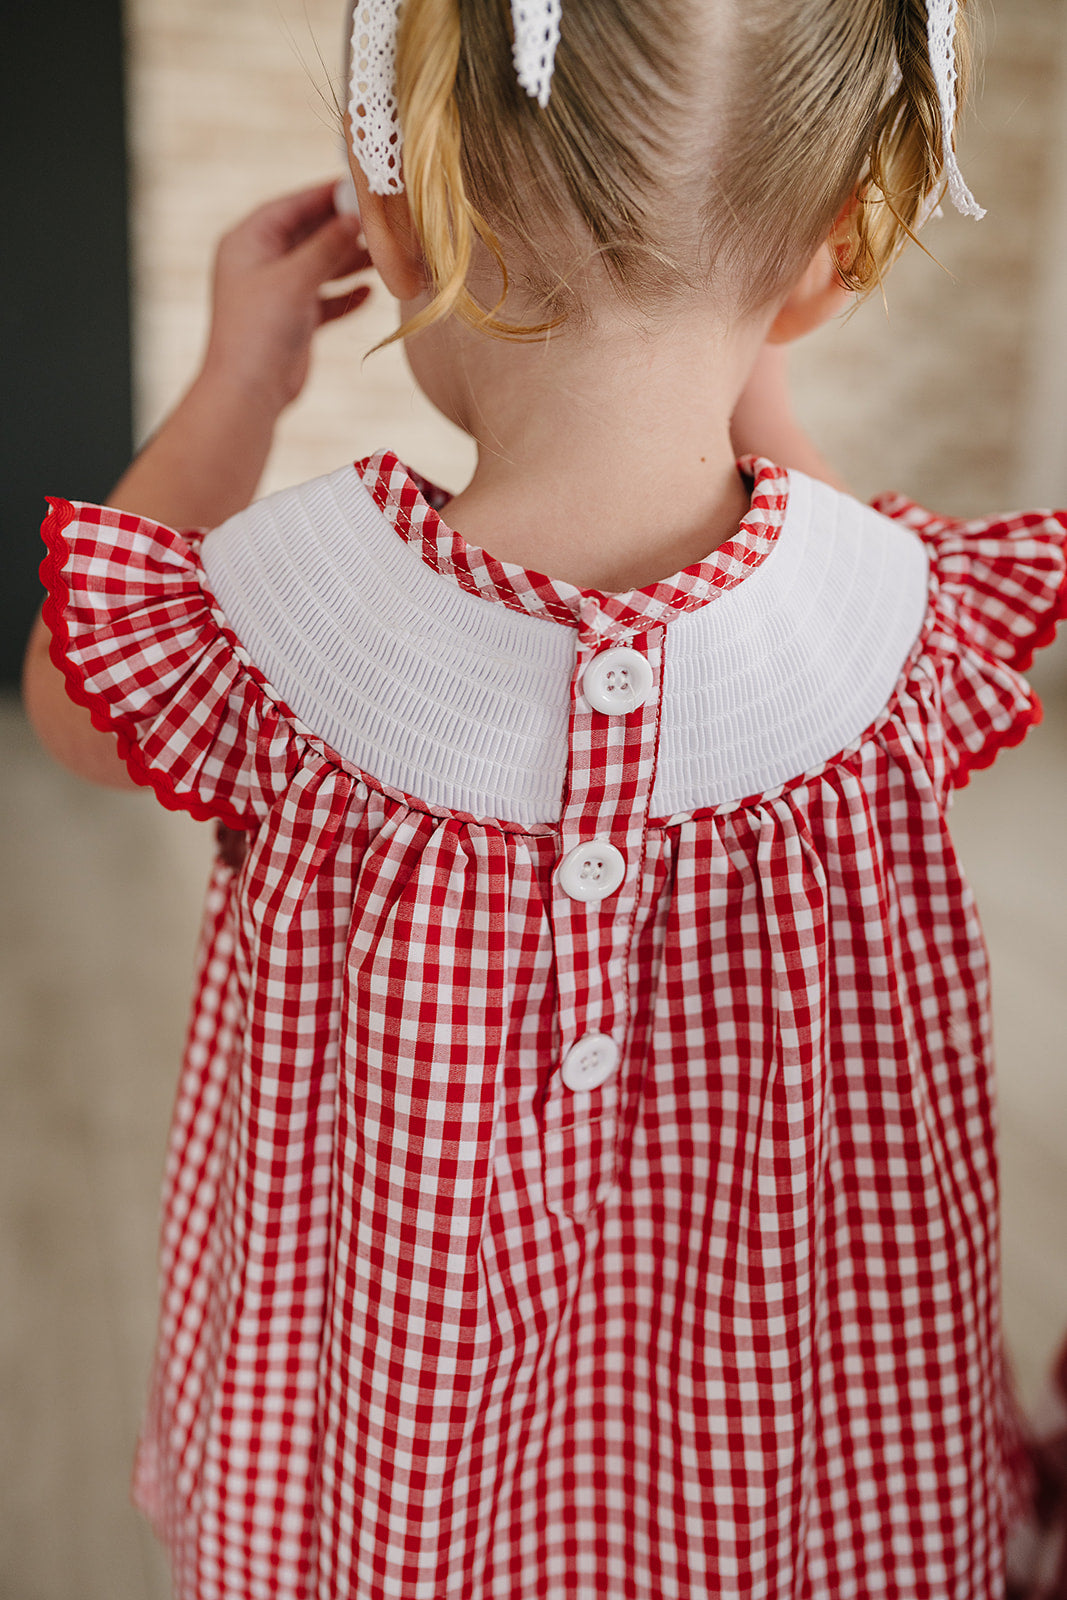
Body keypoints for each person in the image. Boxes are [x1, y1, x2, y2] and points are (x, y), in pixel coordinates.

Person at [22, 0, 1067, 1595]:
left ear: (395, 208)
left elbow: (75, 708)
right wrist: (749, 359)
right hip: (784, 1456)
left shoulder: (286, 618)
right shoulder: (887, 619)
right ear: (838, 255)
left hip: (389, 1448)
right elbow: (821, 521)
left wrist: (240, 378)